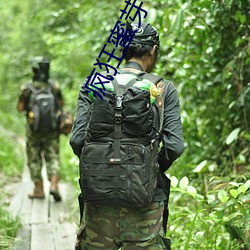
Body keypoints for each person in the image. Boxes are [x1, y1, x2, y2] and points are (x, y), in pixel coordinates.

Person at [70, 22, 184, 249]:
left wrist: (101, 165)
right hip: (145, 205)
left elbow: (77, 140)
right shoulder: (163, 88)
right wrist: (147, 167)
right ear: (153, 50)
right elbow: (174, 147)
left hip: (98, 201)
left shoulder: (95, 84)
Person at [17, 57, 64, 202]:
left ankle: (39, 190)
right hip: (52, 129)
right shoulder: (54, 86)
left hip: (33, 131)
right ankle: (54, 186)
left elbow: (19, 109)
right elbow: (61, 104)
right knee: (53, 157)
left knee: (34, 159)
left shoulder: (27, 88)